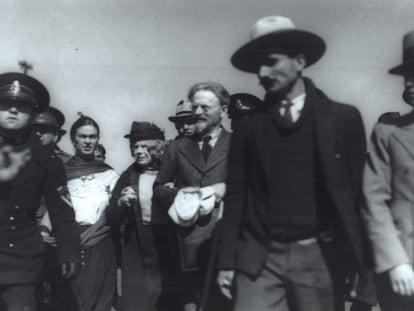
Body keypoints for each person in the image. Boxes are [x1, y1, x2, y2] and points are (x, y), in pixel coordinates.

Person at [216, 15, 373, 311]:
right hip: (258, 258)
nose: (263, 73)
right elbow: (237, 197)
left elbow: (355, 195)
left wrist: (358, 261)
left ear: (299, 61)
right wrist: (227, 262)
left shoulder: (342, 118)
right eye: (257, 67)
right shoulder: (249, 127)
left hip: (320, 257)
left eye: (271, 61)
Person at [0, 72, 81, 311]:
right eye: (5, 105)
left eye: (21, 107)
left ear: (33, 114)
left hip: (22, 263)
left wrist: (70, 252)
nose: (13, 111)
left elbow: (62, 213)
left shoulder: (46, 160)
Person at [153, 82, 232, 311]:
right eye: (195, 107)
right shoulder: (176, 148)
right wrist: (181, 195)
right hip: (188, 241)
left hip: (224, 242)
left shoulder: (237, 144)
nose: (198, 113)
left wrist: (225, 188)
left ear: (224, 110)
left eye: (205, 108)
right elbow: (158, 189)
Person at [363, 29, 414, 310]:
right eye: (407, 75)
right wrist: (395, 261)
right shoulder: (387, 132)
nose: (410, 82)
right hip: (403, 269)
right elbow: (374, 201)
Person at [106, 121, 176, 311]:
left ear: (158, 147)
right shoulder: (128, 176)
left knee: (168, 295)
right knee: (139, 299)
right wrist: (120, 203)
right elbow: (110, 214)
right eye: (135, 146)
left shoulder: (172, 171)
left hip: (168, 244)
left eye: (145, 146)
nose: (138, 150)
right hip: (137, 245)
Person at [65, 114, 119, 311]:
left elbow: (117, 209)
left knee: (101, 303)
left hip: (101, 244)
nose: (88, 141)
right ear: (73, 139)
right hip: (70, 246)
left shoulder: (109, 174)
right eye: (82, 136)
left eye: (93, 136)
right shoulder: (61, 173)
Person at [32, 106, 78, 311]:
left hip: (53, 246)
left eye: (45, 129)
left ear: (58, 135)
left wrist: (69, 252)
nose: (38, 133)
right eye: (34, 128)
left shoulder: (63, 164)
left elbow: (64, 210)